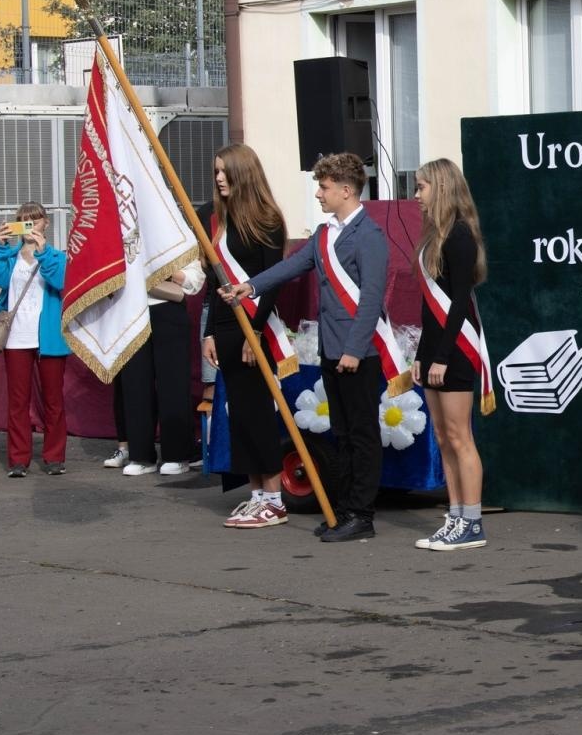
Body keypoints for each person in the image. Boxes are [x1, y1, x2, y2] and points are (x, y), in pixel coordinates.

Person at [222, 152, 392, 543]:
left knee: (362, 435)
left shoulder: (369, 236)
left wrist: (354, 347)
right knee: (342, 434)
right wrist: (250, 287)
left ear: (346, 190)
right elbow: (292, 266)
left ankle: (362, 514)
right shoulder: (324, 234)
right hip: (332, 350)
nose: (318, 193)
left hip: (356, 352)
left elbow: (370, 298)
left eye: (325, 187)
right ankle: (346, 508)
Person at [200, 144, 291, 530]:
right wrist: (207, 332)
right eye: (216, 171)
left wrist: (255, 331)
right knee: (238, 414)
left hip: (254, 325)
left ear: (243, 173)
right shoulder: (216, 219)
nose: (219, 178)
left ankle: (274, 496)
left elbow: (272, 283)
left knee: (258, 413)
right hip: (222, 325)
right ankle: (254, 494)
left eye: (225, 171)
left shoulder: (268, 219)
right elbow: (212, 281)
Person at [411, 158, 498, 553]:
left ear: (441, 188)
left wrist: (443, 356)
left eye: (421, 187)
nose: (416, 196)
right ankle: (456, 513)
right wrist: (421, 354)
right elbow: (430, 309)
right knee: (443, 436)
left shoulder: (460, 236)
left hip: (458, 350)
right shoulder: (433, 238)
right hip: (435, 349)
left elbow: (460, 301)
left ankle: (473, 521)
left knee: (461, 436)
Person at [0, 202, 68, 477]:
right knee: (18, 401)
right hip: (16, 337)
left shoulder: (55, 256)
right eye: (24, 221)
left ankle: (54, 457)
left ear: (46, 223)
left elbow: (60, 282)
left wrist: (42, 253)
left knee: (53, 400)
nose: (30, 226)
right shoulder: (10, 257)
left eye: (35, 220)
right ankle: (18, 460)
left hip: (48, 337)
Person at [116, 254, 204, 477]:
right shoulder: (125, 232)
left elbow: (195, 279)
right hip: (131, 311)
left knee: (172, 385)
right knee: (135, 385)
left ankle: (178, 454)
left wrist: (162, 272)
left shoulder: (175, 234)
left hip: (168, 308)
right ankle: (141, 455)